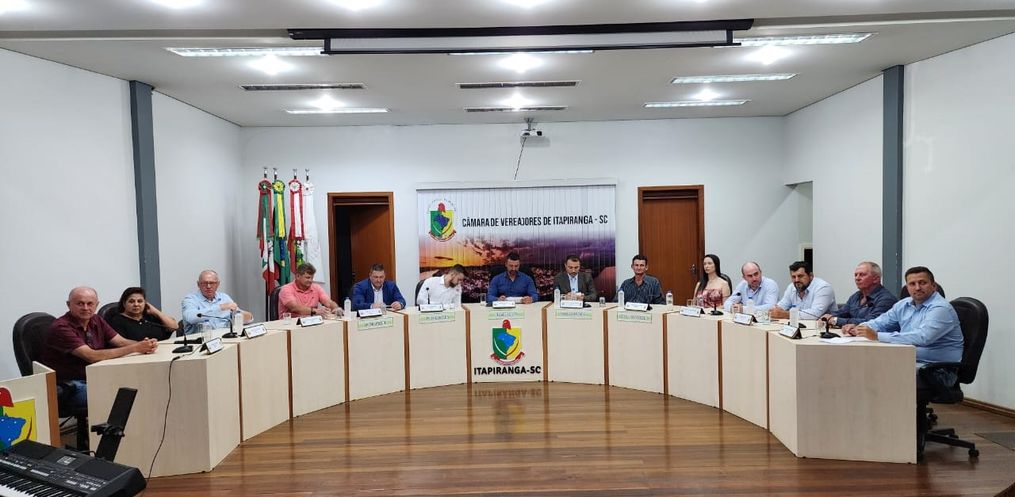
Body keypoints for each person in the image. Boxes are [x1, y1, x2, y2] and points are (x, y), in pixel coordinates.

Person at [847, 266, 963, 452]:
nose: (917, 287)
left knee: (880, 376)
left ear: (933, 286)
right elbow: (880, 322)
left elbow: (923, 337)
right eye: (912, 284)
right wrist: (858, 328)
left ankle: (891, 433)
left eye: (922, 283)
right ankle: (882, 429)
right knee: (867, 370)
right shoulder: (904, 305)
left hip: (937, 371)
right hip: (912, 362)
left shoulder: (940, 308)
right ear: (907, 287)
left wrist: (877, 336)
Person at [40, 287, 159, 409]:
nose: (85, 308)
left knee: (141, 384)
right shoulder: (61, 327)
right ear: (68, 305)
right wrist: (135, 348)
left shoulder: (96, 319)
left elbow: (120, 342)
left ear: (96, 305)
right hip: (70, 386)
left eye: (90, 304)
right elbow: (91, 356)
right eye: (80, 304)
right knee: (120, 395)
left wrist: (145, 344)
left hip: (95, 376)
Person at [819, 261, 897, 328]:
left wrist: (836, 320)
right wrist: (828, 316)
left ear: (876, 279)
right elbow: (841, 312)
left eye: (862, 275)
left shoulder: (886, 299)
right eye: (856, 275)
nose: (857, 278)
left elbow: (871, 322)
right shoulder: (856, 296)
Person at [181, 269, 253, 335]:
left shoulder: (224, 297)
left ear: (218, 284)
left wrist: (246, 316)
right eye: (204, 283)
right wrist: (220, 308)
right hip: (200, 340)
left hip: (225, 338)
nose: (208, 286)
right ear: (198, 284)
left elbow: (240, 315)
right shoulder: (190, 299)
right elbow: (191, 318)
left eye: (212, 283)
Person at [106, 286, 178, 341]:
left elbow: (174, 327)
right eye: (131, 301)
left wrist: (156, 311)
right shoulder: (117, 321)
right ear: (124, 304)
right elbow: (121, 343)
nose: (136, 304)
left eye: (140, 301)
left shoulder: (150, 317)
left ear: (145, 303)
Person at [769, 261, 836, 319]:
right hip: (799, 326)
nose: (796, 280)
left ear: (811, 276)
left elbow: (815, 314)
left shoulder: (823, 288)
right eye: (793, 277)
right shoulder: (791, 287)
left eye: (800, 276)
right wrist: (775, 311)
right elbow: (782, 306)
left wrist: (786, 314)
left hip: (823, 328)